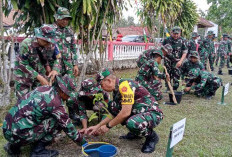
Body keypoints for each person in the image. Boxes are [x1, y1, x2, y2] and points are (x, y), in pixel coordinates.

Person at [2, 75, 86, 157]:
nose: (68, 97)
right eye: (68, 94)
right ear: (62, 91)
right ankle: (38, 151)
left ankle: (12, 147)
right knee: (58, 122)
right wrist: (84, 143)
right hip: (19, 135)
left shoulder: (43, 88)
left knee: (31, 120)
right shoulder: (55, 103)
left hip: (7, 130)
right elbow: (68, 127)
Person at [85, 68, 163, 153]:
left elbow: (125, 113)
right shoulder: (117, 89)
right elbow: (113, 114)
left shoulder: (125, 86)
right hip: (139, 112)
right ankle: (136, 133)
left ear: (109, 80)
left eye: (101, 84)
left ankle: (152, 137)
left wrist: (108, 126)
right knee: (112, 106)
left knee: (132, 123)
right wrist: (98, 126)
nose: (102, 88)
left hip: (153, 113)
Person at [14, 24, 60, 99]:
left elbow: (57, 59)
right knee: (23, 101)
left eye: (50, 41)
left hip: (40, 75)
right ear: (38, 37)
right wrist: (40, 77)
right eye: (45, 41)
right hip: (23, 76)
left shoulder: (52, 45)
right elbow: (22, 64)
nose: (48, 44)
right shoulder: (26, 44)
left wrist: (55, 70)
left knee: (39, 100)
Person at [53, 7, 79, 121]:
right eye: (63, 19)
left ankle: (72, 113)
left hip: (68, 64)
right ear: (57, 18)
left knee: (70, 87)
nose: (65, 21)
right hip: (55, 65)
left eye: (67, 19)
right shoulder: (51, 30)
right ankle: (57, 113)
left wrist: (75, 64)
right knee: (55, 89)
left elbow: (73, 48)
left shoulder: (69, 31)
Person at [162, 26, 188, 90]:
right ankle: (168, 87)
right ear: (171, 33)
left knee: (176, 75)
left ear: (180, 33)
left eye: (177, 34)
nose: (176, 35)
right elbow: (162, 50)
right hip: (167, 60)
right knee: (167, 74)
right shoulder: (166, 40)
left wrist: (181, 61)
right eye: (174, 34)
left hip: (177, 61)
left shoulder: (183, 40)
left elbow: (185, 52)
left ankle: (175, 88)